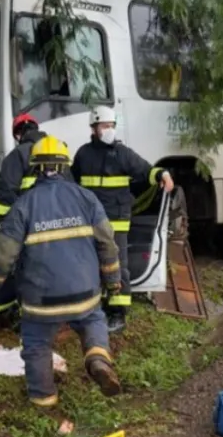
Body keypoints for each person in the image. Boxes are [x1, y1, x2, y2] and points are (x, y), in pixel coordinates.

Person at [0, 135, 124, 408]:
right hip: (85, 293)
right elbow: (107, 243)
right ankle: (97, 360)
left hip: (41, 301)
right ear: (64, 166)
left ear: (34, 168)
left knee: (36, 342)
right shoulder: (87, 198)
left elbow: (4, 256)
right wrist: (113, 279)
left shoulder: (22, 206)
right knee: (93, 319)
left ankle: (44, 400)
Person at [72, 106, 174, 333]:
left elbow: (147, 170)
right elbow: (72, 182)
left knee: (118, 267)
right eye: (105, 126)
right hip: (90, 220)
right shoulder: (83, 154)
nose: (109, 130)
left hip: (116, 220)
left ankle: (118, 313)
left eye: (112, 126)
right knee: (90, 265)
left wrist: (163, 174)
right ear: (94, 128)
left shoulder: (122, 153)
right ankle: (93, 307)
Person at [0, 113, 48, 228]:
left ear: (18, 135)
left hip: (33, 221)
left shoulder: (18, 154)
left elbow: (6, 192)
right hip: (61, 218)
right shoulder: (58, 150)